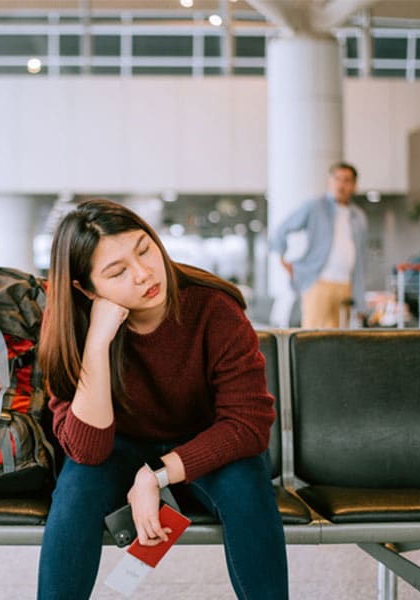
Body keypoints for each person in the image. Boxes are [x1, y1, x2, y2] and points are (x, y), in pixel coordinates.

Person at [37, 199, 288, 600]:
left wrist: (155, 474)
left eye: (144, 249)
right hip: (115, 448)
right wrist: (98, 342)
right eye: (117, 272)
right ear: (85, 289)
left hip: (209, 446)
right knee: (74, 495)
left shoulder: (212, 308)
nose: (143, 274)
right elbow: (87, 449)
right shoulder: (70, 326)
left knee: (247, 488)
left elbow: (248, 425)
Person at [269, 162, 368, 328]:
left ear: (354, 186)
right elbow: (281, 229)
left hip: (346, 285)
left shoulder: (359, 217)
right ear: (329, 182)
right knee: (313, 339)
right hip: (319, 283)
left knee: (340, 341)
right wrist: (283, 259)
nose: (341, 184)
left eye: (346, 180)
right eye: (337, 179)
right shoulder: (315, 207)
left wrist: (360, 299)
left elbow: (361, 259)